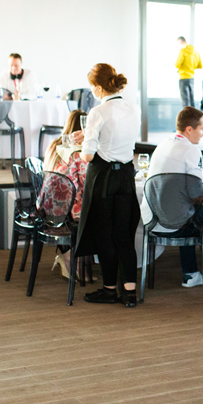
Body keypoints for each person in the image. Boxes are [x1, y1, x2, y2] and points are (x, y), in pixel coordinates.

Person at [72, 64, 141, 307]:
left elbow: (88, 156)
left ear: (99, 88)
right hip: (126, 176)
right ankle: (130, 293)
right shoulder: (133, 108)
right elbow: (119, 136)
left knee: (105, 235)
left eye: (92, 87)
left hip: (104, 179)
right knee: (124, 235)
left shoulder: (98, 112)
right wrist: (90, 135)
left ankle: (110, 290)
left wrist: (84, 142)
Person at [147, 106, 203, 288]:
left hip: (153, 220)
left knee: (185, 210)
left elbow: (179, 184)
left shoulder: (163, 145)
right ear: (189, 129)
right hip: (179, 224)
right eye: (202, 128)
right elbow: (197, 196)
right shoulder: (191, 150)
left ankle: (190, 273)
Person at [42, 109, 89, 279]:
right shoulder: (78, 153)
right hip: (67, 211)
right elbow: (85, 184)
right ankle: (75, 261)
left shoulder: (54, 145)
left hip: (47, 206)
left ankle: (68, 256)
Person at [176, 36, 203, 108]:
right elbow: (200, 65)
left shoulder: (183, 51)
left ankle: (186, 115)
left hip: (183, 77)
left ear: (181, 41)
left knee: (185, 100)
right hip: (191, 77)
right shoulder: (195, 52)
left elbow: (177, 64)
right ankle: (193, 115)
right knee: (191, 99)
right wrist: (191, 67)